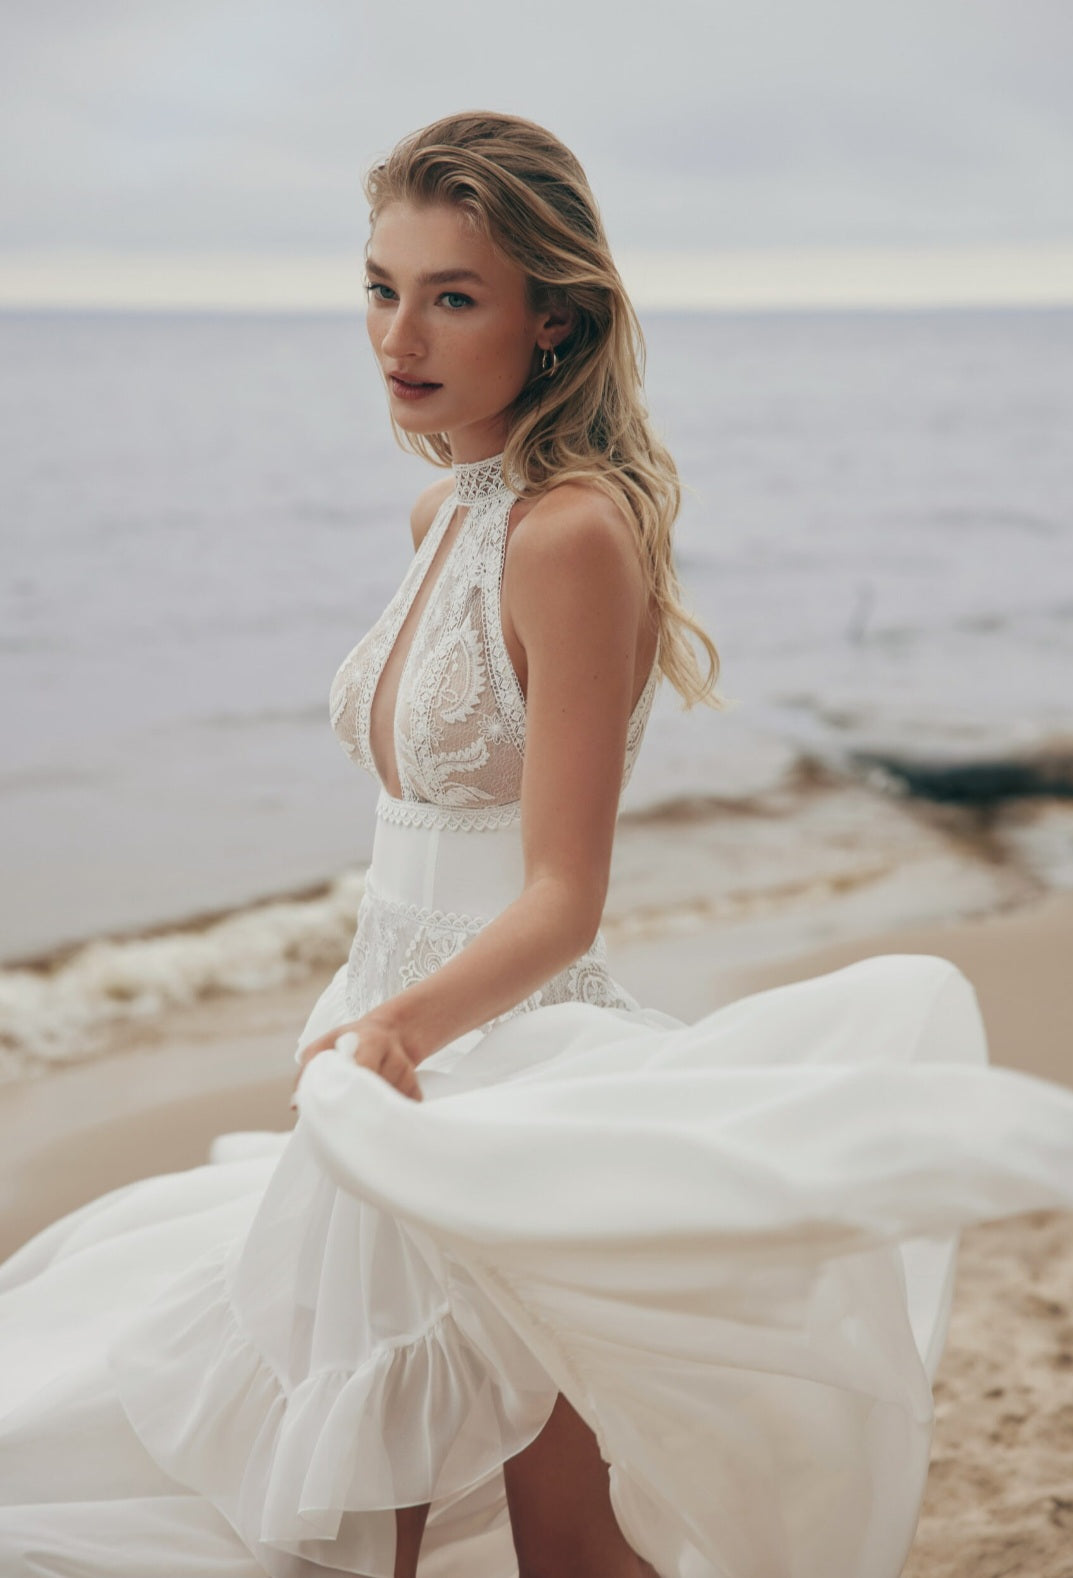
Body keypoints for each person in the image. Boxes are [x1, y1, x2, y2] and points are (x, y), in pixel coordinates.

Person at [1, 110, 1072, 1578]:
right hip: (380, 1043)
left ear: (551, 317)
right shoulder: (443, 504)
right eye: (381, 286)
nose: (401, 333)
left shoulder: (574, 535)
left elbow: (564, 896)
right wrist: (367, 1030)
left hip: (488, 1057)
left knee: (548, 1538)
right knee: (367, 1503)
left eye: (453, 295)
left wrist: (397, 1033)